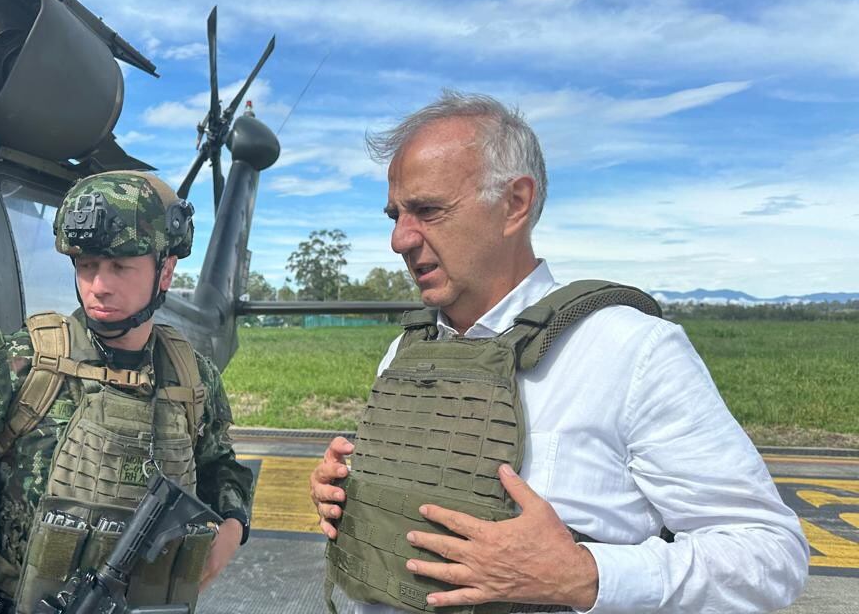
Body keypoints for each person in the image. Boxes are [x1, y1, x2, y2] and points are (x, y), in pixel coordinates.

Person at [309, 91, 808, 613]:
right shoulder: (407, 351)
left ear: (514, 204)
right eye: (395, 215)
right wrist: (350, 498)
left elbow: (771, 555)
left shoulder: (628, 350)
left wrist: (583, 575)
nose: (399, 240)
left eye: (428, 210)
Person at [0, 170, 253, 614]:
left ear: (165, 271)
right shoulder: (18, 367)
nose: (99, 286)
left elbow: (219, 464)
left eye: (120, 266)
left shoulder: (191, 377)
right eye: (87, 265)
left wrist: (233, 524)